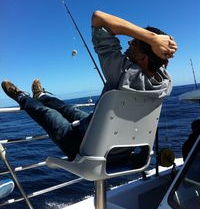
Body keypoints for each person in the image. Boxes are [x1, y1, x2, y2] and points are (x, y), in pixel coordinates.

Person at [1, 11, 177, 161]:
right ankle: (41, 95)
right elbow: (159, 62)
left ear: (143, 58)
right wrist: (162, 47)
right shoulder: (165, 82)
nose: (129, 42)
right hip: (121, 150)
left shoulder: (123, 73)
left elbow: (98, 18)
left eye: (135, 42)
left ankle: (21, 96)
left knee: (47, 113)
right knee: (69, 108)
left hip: (85, 147)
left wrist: (151, 38)